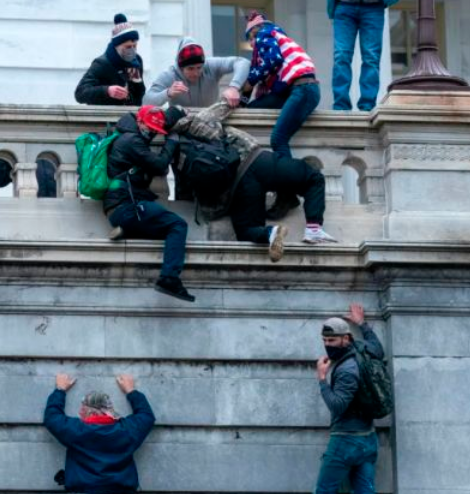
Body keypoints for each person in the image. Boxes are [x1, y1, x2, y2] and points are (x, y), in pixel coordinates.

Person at [165, 103, 336, 260]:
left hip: (237, 188)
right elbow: (228, 103)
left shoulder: (174, 151)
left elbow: (185, 191)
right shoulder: (197, 120)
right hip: (256, 161)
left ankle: (271, 233)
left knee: (246, 230)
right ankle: (313, 229)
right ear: (183, 115)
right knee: (313, 178)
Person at [105, 105, 194, 302]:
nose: (152, 133)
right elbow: (160, 165)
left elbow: (163, 119)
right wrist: (171, 141)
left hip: (122, 207)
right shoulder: (133, 141)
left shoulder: (129, 134)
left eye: (156, 131)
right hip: (128, 206)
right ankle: (169, 278)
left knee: (161, 226)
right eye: (150, 129)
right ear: (139, 122)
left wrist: (179, 111)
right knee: (177, 225)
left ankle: (128, 230)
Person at [242, 10, 320, 221]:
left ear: (255, 31)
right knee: (254, 109)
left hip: (303, 88)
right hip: (295, 90)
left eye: (249, 38)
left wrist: (249, 83)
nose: (251, 44)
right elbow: (273, 78)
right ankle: (288, 193)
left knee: (278, 138)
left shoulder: (265, 34)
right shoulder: (276, 37)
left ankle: (287, 193)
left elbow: (271, 61)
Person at [43, 373, 155, 494]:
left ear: (86, 411)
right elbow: (146, 416)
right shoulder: (127, 430)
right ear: (110, 409)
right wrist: (131, 391)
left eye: (82, 409)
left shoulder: (75, 430)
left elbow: (52, 418)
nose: (80, 413)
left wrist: (60, 390)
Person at [315, 303, 384, 493]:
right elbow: (378, 348)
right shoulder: (363, 350)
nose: (327, 345)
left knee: (324, 490)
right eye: (325, 341)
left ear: (345, 338)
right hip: (368, 438)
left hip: (345, 441)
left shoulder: (347, 370)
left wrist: (322, 379)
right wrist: (361, 323)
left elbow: (337, 406)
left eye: (332, 340)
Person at [330, 0, 399, 111]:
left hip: (373, 7)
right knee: (341, 56)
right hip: (344, 6)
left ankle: (367, 106)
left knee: (371, 58)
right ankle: (341, 106)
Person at [143, 37, 250, 109]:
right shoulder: (170, 75)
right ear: (181, 67)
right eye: (190, 68)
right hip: (182, 125)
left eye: (199, 67)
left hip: (209, 123)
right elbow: (146, 102)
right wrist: (168, 93)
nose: (196, 73)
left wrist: (234, 87)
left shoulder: (210, 65)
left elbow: (243, 62)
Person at [75, 14, 145, 106]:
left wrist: (137, 81)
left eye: (135, 46)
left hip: (128, 116)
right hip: (104, 117)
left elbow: (139, 95)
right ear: (117, 46)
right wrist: (107, 90)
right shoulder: (102, 63)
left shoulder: (136, 61)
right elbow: (80, 93)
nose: (132, 50)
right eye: (128, 47)